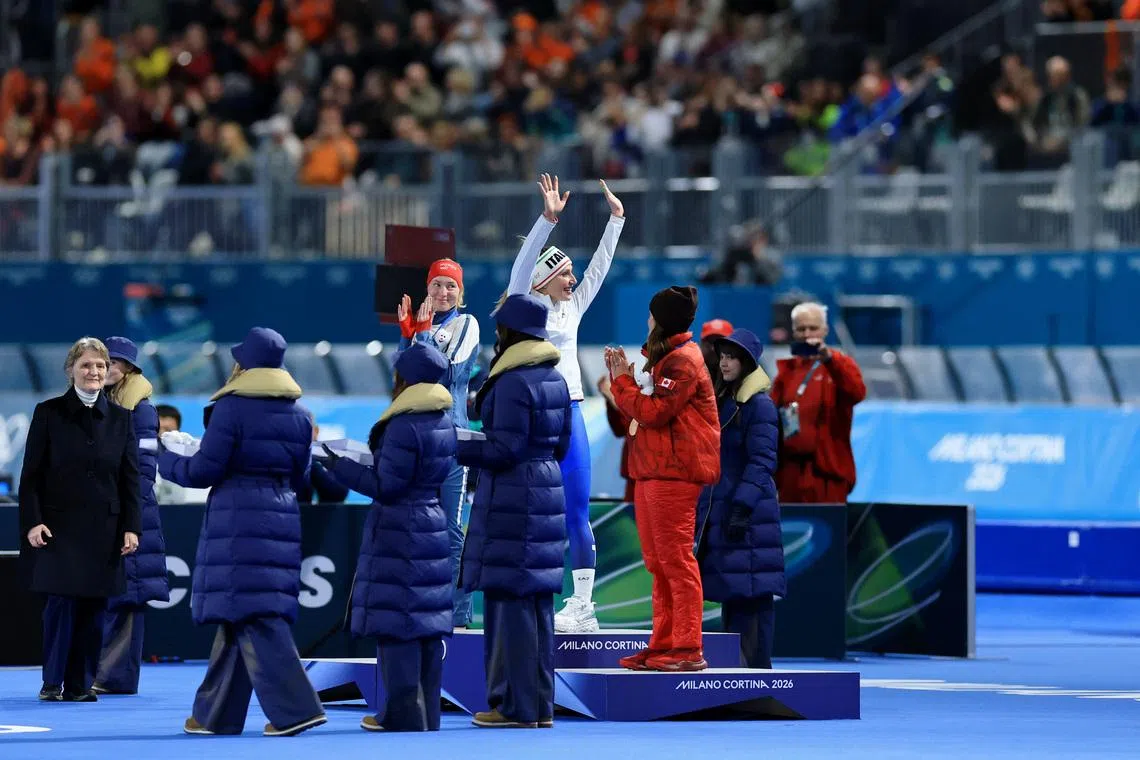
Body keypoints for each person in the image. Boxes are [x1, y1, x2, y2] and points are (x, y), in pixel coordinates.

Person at [158, 327, 326, 737]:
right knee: (241, 613)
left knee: (255, 615)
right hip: (281, 516)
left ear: (244, 362)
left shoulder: (231, 409)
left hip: (238, 519)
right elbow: (302, 477)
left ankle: (298, 710)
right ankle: (215, 715)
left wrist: (168, 459)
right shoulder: (301, 414)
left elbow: (203, 470)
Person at [503, 172, 626, 634]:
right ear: (543, 280)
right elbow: (521, 267)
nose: (574, 279)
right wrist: (546, 222)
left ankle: (582, 605)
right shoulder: (522, 303)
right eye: (564, 274)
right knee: (534, 511)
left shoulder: (572, 307)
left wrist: (615, 222)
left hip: (570, 411)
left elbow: (598, 269)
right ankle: (530, 595)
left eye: (572, 274)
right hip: (533, 420)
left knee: (577, 509)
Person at [318, 343, 456, 732]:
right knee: (426, 626)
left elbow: (387, 484)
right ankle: (426, 713)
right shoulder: (443, 420)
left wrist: (340, 467)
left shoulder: (403, 424)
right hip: (431, 521)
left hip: (399, 528)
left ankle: (399, 714)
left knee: (396, 624)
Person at [457, 294, 572, 729]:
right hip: (546, 488)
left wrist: (458, 442)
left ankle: (513, 706)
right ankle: (539, 706)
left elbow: (503, 448)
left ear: (509, 333)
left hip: (512, 495)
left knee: (509, 603)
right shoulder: (555, 379)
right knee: (536, 603)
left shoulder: (509, 382)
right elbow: (559, 446)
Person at [604, 286, 720, 672]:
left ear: (662, 319)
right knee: (657, 562)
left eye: (652, 315)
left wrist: (622, 383)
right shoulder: (666, 359)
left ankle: (687, 648)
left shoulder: (683, 361)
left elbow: (654, 414)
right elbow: (643, 414)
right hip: (654, 468)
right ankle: (664, 644)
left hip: (675, 472)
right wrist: (625, 384)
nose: (647, 321)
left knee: (676, 560)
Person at [19, 337, 141, 702]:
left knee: (95, 607)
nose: (94, 372)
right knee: (60, 605)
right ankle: (52, 681)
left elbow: (130, 478)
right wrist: (33, 521)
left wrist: (131, 526)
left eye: (101, 366)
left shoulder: (122, 419)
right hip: (58, 528)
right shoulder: (48, 412)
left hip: (104, 528)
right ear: (71, 369)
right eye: (87, 365)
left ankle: (80, 684)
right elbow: (31, 476)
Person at [396, 257, 481, 628]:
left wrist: (423, 335)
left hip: (451, 440)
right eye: (436, 285)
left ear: (460, 294)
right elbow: (403, 381)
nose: (443, 293)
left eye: (450, 286)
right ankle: (421, 609)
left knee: (449, 529)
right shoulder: (419, 328)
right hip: (416, 438)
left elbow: (446, 374)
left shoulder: (467, 324)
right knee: (414, 526)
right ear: (426, 289)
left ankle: (458, 616)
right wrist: (406, 337)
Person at [696, 328, 785, 669]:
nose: (724, 362)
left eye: (732, 357)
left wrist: (742, 507)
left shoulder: (759, 405)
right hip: (726, 510)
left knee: (752, 596)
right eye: (723, 356)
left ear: (748, 362)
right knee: (735, 593)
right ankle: (739, 675)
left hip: (747, 514)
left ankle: (755, 676)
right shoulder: (727, 400)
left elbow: (762, 461)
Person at [93, 337, 170, 695]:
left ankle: (116, 677)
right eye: (104, 362)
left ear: (129, 370)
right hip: (102, 513)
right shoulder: (99, 403)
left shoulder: (140, 410)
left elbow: (144, 470)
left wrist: (125, 517)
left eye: (115, 364)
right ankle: (98, 672)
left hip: (129, 515)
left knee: (128, 597)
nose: (107, 369)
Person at [770, 302, 866, 504]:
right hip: (790, 474)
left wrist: (830, 359)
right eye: (801, 329)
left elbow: (857, 393)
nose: (807, 334)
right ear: (793, 332)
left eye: (813, 328)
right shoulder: (785, 372)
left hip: (827, 473)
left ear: (825, 330)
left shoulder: (841, 365)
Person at [296, 407, 349, 505]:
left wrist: (313, 463)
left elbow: (337, 494)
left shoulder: (321, 459)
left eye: (305, 428)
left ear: (316, 431)